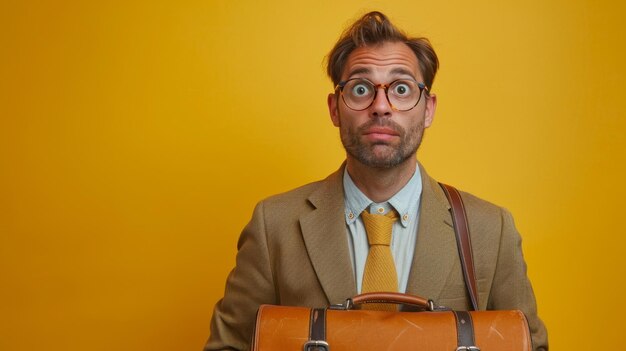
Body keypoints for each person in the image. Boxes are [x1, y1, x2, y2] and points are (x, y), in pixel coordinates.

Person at [204, 11, 548, 351]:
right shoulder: (274, 225)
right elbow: (229, 346)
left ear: (428, 108)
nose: (381, 106)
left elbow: (528, 345)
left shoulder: (489, 228)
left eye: (400, 88)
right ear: (335, 108)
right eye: (360, 88)